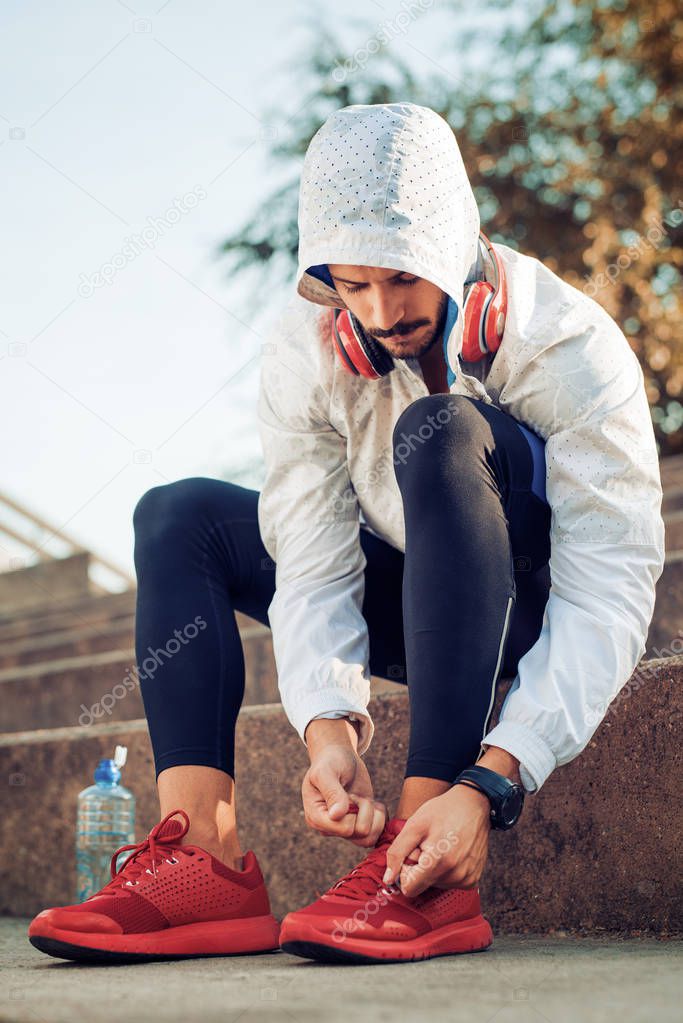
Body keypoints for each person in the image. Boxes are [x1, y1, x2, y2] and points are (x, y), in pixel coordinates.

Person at [28, 102, 665, 966]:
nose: (378, 311)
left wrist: (489, 779)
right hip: (418, 603)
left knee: (439, 429)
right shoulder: (310, 349)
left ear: (451, 248)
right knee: (178, 514)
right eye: (351, 284)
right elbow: (312, 559)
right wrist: (328, 726)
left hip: (528, 610)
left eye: (400, 277)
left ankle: (423, 858)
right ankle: (205, 859)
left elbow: (610, 588)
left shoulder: (569, 346)